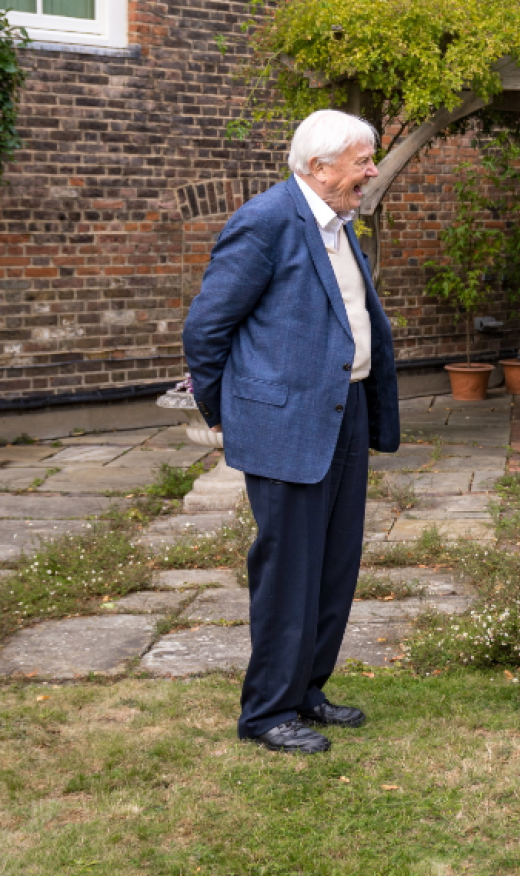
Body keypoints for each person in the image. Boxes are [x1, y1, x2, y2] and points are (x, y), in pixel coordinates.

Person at [183, 109, 400, 754]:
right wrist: (224, 413)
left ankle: (307, 690)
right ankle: (266, 713)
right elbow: (207, 328)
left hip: (344, 412)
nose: (371, 171)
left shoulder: (338, 223)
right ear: (319, 168)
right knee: (288, 570)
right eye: (362, 161)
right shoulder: (268, 219)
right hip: (285, 422)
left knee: (335, 564)